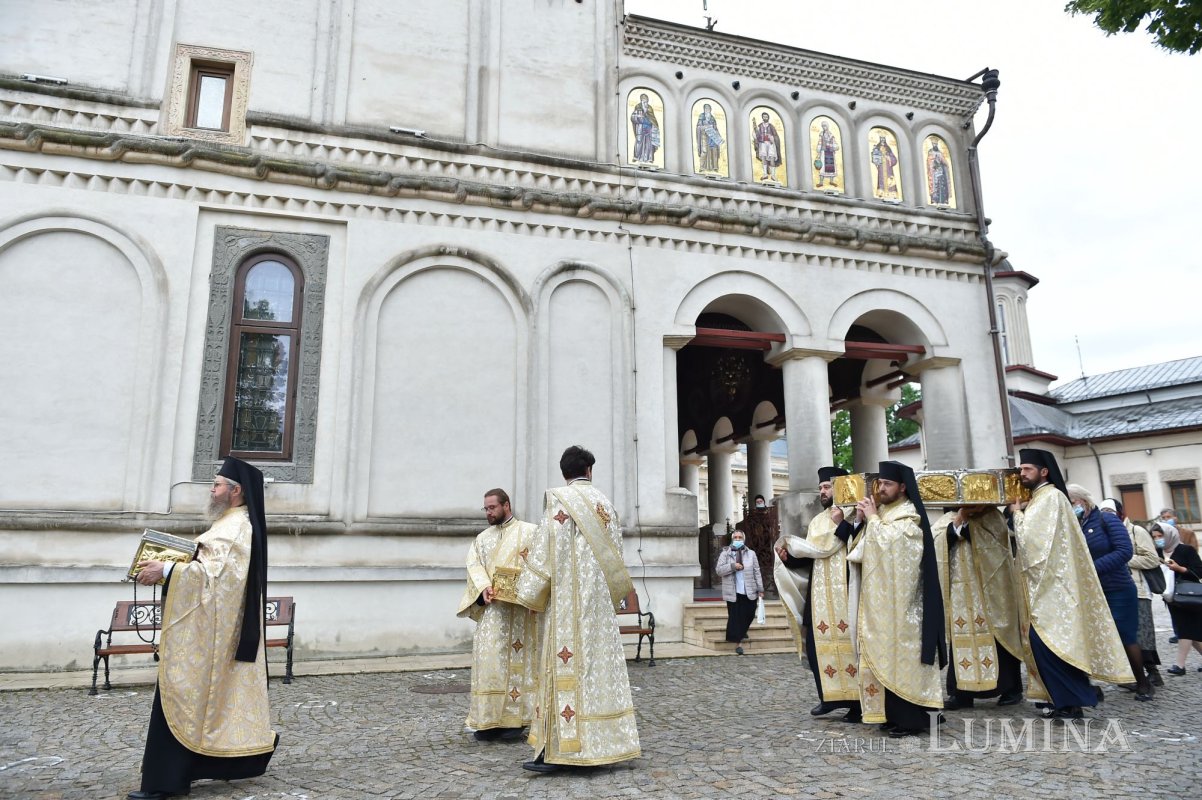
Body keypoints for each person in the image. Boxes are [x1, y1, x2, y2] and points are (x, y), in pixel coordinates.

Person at [129, 456, 277, 800]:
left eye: (217, 484)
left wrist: (166, 571)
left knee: (182, 697)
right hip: (207, 631)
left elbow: (215, 579)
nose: (212, 491)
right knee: (189, 701)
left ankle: (165, 783)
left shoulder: (236, 527)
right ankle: (182, 773)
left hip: (209, 638)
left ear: (235, 491)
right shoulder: (228, 522)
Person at [513, 446, 640, 773]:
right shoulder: (607, 506)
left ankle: (566, 753)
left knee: (565, 669)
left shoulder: (559, 502)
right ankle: (606, 745)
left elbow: (543, 551)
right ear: (589, 470)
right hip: (600, 610)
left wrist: (528, 593)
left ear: (565, 472)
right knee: (598, 674)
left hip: (570, 606)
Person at [1009, 450, 1133, 720]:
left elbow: (1033, 543)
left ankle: (1071, 701)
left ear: (1044, 471)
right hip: (1045, 587)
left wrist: (1017, 514)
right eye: (1021, 469)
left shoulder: (1050, 497)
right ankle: (1064, 701)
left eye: (1028, 468)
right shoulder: (1042, 498)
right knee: (1047, 645)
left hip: (1052, 589)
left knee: (1051, 645)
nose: (1022, 474)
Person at [845, 461, 946, 737]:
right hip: (881, 605)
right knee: (882, 656)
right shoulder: (885, 512)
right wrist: (862, 521)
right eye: (879, 484)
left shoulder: (909, 516)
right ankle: (890, 714)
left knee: (902, 658)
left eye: (887, 484)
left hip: (903, 607)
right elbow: (861, 551)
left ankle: (913, 719)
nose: (882, 489)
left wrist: (873, 520)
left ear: (903, 487)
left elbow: (896, 550)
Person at [775, 466, 862, 722]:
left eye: (827, 487)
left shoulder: (856, 514)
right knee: (816, 649)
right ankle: (829, 697)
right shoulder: (816, 521)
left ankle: (857, 704)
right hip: (820, 595)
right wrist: (790, 558)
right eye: (821, 488)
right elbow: (812, 556)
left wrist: (841, 524)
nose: (822, 492)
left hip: (847, 592)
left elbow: (860, 546)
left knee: (850, 647)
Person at [456, 489, 540, 742]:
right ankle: (488, 721)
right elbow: (474, 566)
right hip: (493, 611)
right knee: (491, 663)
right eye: (486, 509)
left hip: (521, 612)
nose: (488, 513)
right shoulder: (481, 539)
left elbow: (539, 565)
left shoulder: (530, 532)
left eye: (492, 507)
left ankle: (516, 721)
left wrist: (531, 593)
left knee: (519, 664)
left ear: (506, 505)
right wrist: (483, 588)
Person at [934, 505, 1024, 710]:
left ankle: (1010, 689)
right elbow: (937, 543)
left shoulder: (992, 516)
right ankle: (961, 694)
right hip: (959, 593)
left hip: (990, 591)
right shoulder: (947, 519)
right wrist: (958, 522)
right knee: (960, 638)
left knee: (999, 636)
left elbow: (997, 546)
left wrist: (969, 528)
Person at [1065, 485, 1150, 701]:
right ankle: (1088, 687)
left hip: (1117, 588)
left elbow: (1124, 551)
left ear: (1081, 501)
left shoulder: (1106, 520)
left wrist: (1092, 568)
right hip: (1089, 592)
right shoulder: (1073, 525)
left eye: (1071, 503)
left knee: (1125, 635)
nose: (1069, 507)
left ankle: (1142, 682)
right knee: (1087, 638)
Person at [1105, 498, 1163, 687]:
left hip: (1138, 589)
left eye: (1111, 512)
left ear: (1120, 513)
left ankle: (1153, 671)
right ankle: (1134, 675)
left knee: (1142, 633)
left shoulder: (1136, 531)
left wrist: (1120, 559)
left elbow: (1152, 559)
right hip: (1115, 589)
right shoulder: (1103, 532)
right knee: (1125, 634)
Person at [716, 530, 764, 655]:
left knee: (749, 614)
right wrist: (732, 566)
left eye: (740, 537)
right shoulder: (725, 554)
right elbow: (719, 570)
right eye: (735, 537)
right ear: (732, 539)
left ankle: (742, 631)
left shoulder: (751, 554)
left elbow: (756, 571)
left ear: (744, 538)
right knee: (736, 618)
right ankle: (738, 643)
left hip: (749, 589)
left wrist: (760, 588)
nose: (738, 539)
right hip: (733, 591)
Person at [1163, 526, 1202, 676]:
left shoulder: (1186, 550)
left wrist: (1180, 569)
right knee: (1190, 632)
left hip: (1188, 595)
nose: (1158, 539)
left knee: (1185, 630)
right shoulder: (1158, 551)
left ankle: (1179, 665)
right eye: (1155, 536)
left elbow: (1199, 571)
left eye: (1161, 535)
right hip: (1170, 596)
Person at [630, 93, 660, 164]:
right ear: (641, 100)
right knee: (639, 142)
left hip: (649, 128)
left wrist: (653, 124)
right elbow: (633, 117)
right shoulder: (638, 107)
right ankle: (636, 157)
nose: (645, 102)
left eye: (646, 100)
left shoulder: (649, 108)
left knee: (649, 143)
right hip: (640, 127)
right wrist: (639, 118)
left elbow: (653, 118)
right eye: (643, 100)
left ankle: (650, 158)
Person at [754, 111, 783, 181]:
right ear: (762, 118)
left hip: (770, 144)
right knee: (763, 158)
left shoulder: (771, 126)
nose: (765, 118)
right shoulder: (760, 125)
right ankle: (765, 174)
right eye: (764, 117)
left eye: (766, 117)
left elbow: (776, 136)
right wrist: (756, 136)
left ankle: (773, 175)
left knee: (772, 158)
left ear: (768, 118)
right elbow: (756, 134)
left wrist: (772, 137)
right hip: (763, 143)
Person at [695, 103, 724, 172]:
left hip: (712, 137)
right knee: (704, 151)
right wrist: (704, 127)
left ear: (710, 110)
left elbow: (716, 128)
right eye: (706, 109)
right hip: (704, 136)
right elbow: (698, 127)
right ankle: (702, 167)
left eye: (708, 109)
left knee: (714, 151)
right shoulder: (701, 116)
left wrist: (718, 137)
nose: (707, 110)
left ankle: (715, 167)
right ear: (704, 109)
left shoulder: (712, 118)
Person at [871, 133, 899, 199]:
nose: (883, 144)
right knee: (881, 179)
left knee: (890, 179)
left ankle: (892, 194)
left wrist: (888, 158)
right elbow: (875, 158)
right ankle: (881, 193)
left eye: (884, 141)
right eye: (881, 141)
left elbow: (894, 159)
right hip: (881, 167)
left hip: (888, 168)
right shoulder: (877, 148)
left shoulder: (889, 150)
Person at [814, 120, 840, 188]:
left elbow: (834, 143)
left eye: (825, 126)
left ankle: (831, 181)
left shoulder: (831, 134)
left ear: (827, 126)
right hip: (824, 151)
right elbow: (820, 143)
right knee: (823, 167)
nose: (824, 127)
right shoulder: (821, 134)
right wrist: (819, 151)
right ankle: (821, 182)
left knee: (832, 167)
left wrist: (835, 147)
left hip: (830, 152)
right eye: (823, 126)